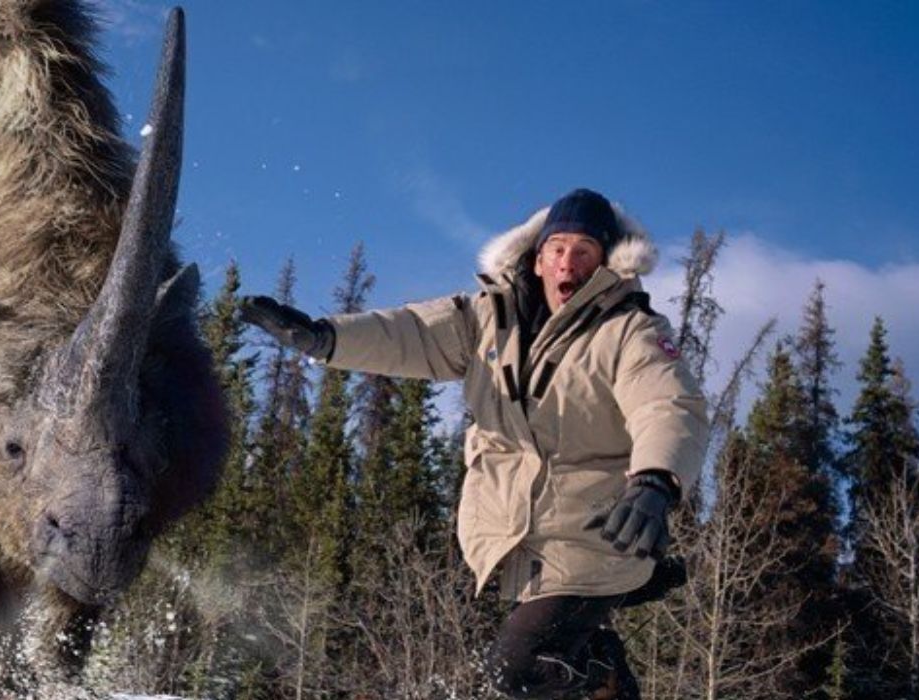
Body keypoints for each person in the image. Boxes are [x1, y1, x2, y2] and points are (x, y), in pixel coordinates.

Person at [238, 188, 708, 699]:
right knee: (538, 673)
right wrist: (325, 339)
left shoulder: (628, 331)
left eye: (584, 252)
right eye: (558, 249)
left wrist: (655, 481)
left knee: (516, 669)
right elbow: (410, 333)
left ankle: (603, 665)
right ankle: (600, 667)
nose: (567, 263)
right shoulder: (487, 318)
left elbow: (667, 404)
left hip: (597, 536)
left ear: (606, 264)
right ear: (538, 257)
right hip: (518, 540)